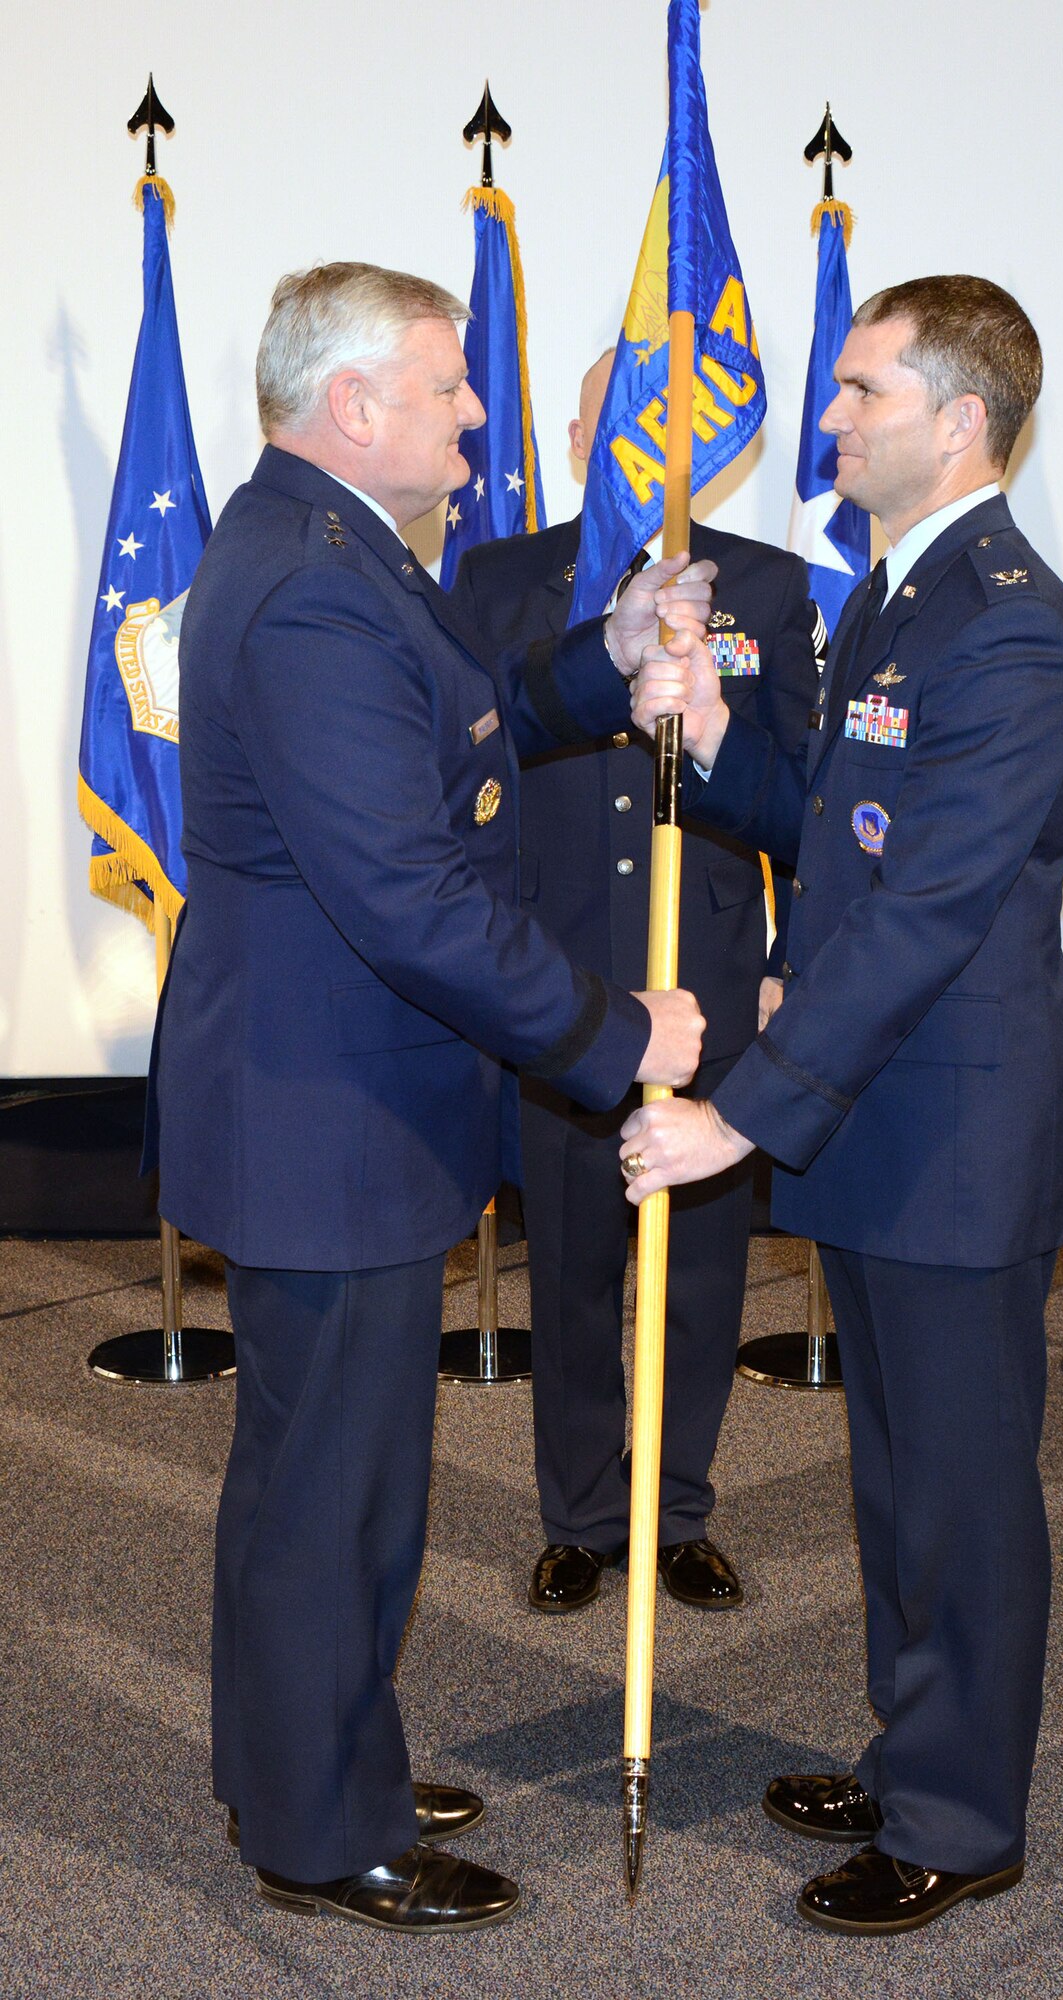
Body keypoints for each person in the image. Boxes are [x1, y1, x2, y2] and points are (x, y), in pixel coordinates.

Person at [147, 263, 715, 1935]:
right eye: (454, 385)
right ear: (354, 408)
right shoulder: (316, 585)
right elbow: (405, 890)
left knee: (306, 1471)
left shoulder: (328, 554)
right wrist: (620, 1034)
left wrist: (595, 665)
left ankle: (299, 1759)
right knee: (339, 1488)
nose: (480, 411)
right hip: (326, 1114)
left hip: (323, 1101)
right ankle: (325, 1834)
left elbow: (450, 735)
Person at [623, 275, 1063, 1936]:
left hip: (950, 1135)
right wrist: (715, 727)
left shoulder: (1015, 627)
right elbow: (838, 836)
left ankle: (960, 1821)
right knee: (897, 1479)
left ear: (957, 422)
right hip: (886, 1126)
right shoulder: (901, 604)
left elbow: (922, 915)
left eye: (858, 393)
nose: (828, 419)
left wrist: (741, 1111)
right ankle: (917, 1753)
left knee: (959, 1493)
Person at [452, 350, 820, 1614]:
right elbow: (470, 776)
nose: (645, 438)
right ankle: (578, 1512)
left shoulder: (763, 585)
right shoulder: (501, 579)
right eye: (620, 415)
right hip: (552, 984)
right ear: (572, 430)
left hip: (708, 977)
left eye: (669, 416)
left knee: (701, 1266)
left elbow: (803, 791)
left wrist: (783, 968)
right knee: (565, 1261)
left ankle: (676, 1507)